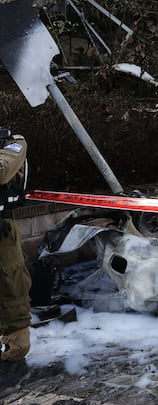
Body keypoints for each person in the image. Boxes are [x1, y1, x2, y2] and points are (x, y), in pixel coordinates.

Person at [0, 129, 31, 396]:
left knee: (12, 287)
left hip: (2, 230)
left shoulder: (13, 142)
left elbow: (2, 171)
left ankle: (15, 359)